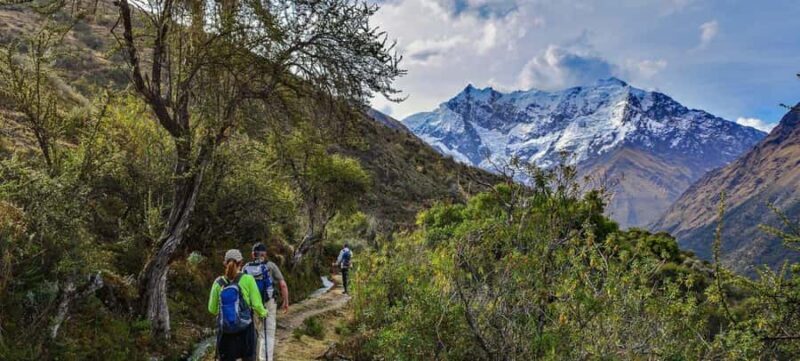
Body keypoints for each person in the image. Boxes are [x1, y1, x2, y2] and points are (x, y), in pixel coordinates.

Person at [208, 249, 268, 361]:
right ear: (241, 263)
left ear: (225, 263)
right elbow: (256, 305)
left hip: (225, 333)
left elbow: (212, 309)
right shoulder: (248, 279)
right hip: (246, 331)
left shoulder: (218, 283)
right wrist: (264, 313)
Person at [243, 243, 289, 361]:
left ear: (253, 254)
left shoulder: (246, 267)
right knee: (267, 333)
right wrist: (286, 301)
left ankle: (253, 357)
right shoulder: (271, 266)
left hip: (252, 305)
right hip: (268, 303)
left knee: (254, 333)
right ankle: (265, 359)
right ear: (265, 253)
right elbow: (283, 285)